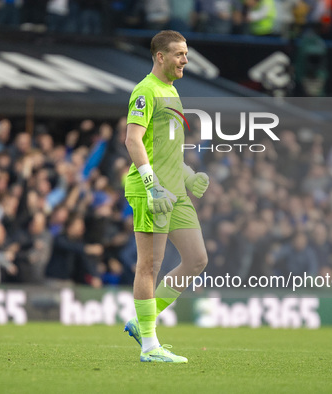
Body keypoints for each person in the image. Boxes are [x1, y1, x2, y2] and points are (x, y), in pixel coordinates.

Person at [122, 30, 209, 363]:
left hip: (175, 190)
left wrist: (190, 176)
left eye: (186, 53)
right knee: (150, 266)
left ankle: (142, 322)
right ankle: (149, 346)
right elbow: (133, 140)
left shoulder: (172, 91)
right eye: (179, 54)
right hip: (152, 190)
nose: (185, 59)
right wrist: (150, 184)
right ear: (160, 56)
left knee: (196, 259)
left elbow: (168, 151)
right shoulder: (146, 91)